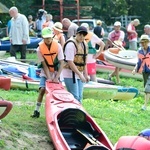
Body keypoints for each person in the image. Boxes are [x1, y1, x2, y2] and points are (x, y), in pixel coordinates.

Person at [31, 27, 64, 118]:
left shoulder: (58, 46)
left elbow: (61, 62)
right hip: (46, 72)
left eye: (49, 38)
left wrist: (57, 77)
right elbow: (44, 64)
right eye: (46, 38)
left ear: (52, 37)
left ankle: (57, 113)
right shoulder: (39, 49)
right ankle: (36, 110)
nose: (48, 40)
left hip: (57, 71)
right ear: (43, 37)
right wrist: (49, 77)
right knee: (42, 89)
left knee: (57, 93)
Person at [62, 26, 89, 103]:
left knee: (80, 97)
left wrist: (85, 74)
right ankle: (72, 113)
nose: (81, 37)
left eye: (84, 35)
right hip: (70, 73)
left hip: (79, 72)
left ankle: (78, 114)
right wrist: (80, 75)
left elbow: (84, 61)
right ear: (76, 34)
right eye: (80, 34)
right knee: (75, 97)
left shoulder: (84, 44)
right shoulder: (71, 44)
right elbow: (70, 62)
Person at [132, 35, 150, 110]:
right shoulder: (140, 51)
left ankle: (145, 106)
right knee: (146, 87)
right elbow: (139, 62)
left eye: (144, 42)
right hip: (145, 72)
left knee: (147, 88)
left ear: (147, 42)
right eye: (142, 43)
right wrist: (135, 69)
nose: (143, 44)